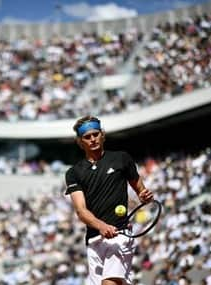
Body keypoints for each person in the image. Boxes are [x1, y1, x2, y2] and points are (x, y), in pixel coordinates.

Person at [65, 115, 154, 285]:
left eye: (96, 134)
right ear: (80, 141)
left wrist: (144, 195)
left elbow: (141, 190)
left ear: (102, 135)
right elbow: (81, 211)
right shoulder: (73, 173)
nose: (93, 139)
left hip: (120, 234)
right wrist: (101, 226)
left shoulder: (122, 158)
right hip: (93, 239)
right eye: (87, 137)